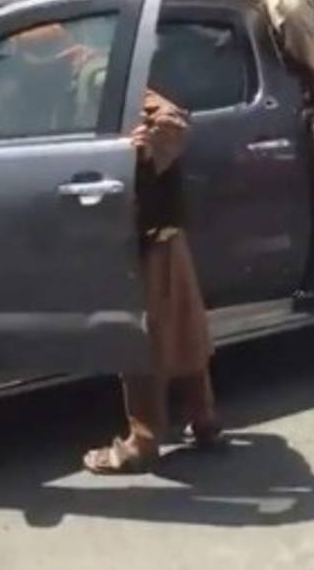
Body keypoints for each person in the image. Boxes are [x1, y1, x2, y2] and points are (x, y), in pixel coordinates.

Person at [84, 90, 221, 474]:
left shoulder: (102, 75)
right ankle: (204, 419)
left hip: (147, 237)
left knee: (143, 335)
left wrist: (145, 151)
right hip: (151, 232)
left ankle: (143, 442)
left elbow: (172, 122)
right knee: (182, 328)